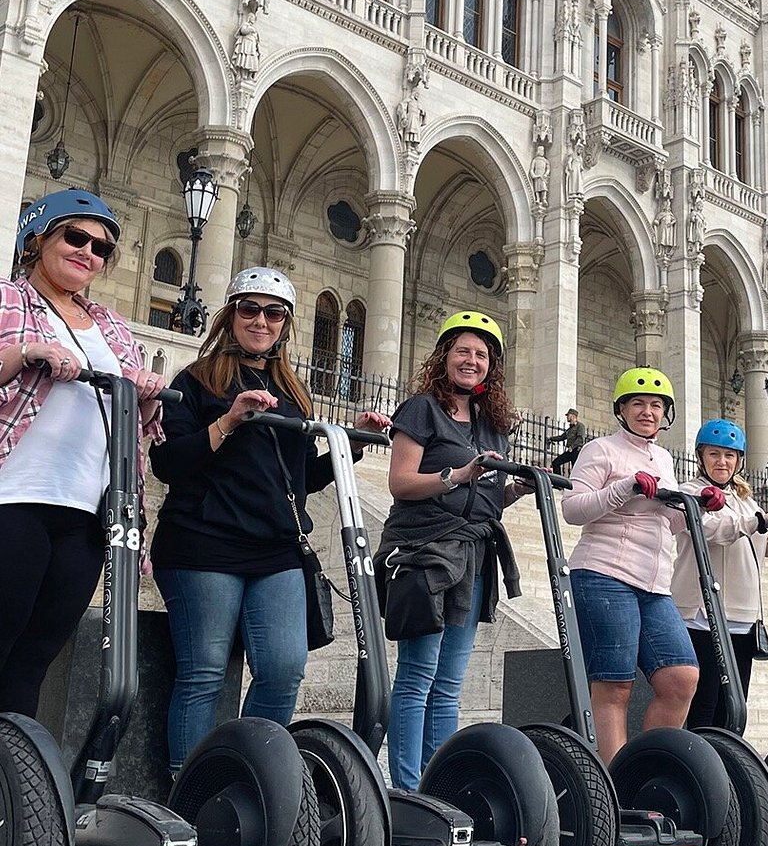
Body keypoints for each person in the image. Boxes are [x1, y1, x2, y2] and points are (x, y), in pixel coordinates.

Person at [149, 266, 388, 774]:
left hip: (276, 549)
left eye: (274, 312)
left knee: (283, 669)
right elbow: (168, 464)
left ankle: (247, 773)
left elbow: (303, 479)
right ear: (231, 314)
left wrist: (357, 443)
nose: (261, 320)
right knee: (204, 673)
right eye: (250, 309)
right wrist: (229, 420)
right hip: (202, 542)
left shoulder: (294, 392)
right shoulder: (196, 380)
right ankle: (188, 784)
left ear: (286, 323)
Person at [0, 190, 167, 716]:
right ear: (38, 238)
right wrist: (29, 351)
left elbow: (138, 429)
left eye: (102, 248)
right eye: (75, 237)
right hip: (16, 494)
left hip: (88, 509)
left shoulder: (115, 327)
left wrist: (143, 396)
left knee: (37, 655)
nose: (88, 253)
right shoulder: (8, 298)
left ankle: (16, 784)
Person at [376, 311, 528, 789]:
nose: (472, 360)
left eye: (482, 355)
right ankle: (405, 786)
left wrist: (512, 492)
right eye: (463, 350)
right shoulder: (422, 408)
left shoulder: (494, 426)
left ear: (492, 366)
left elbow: (483, 499)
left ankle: (436, 787)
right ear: (444, 356)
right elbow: (400, 483)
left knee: (448, 685)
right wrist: (459, 474)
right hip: (424, 552)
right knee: (418, 675)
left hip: (474, 558)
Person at [562, 367, 698, 763]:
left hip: (654, 583)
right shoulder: (600, 449)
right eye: (637, 403)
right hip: (604, 574)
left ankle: (643, 768)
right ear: (621, 409)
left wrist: (695, 508)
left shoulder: (663, 458)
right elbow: (573, 508)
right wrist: (626, 487)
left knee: (680, 678)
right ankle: (614, 782)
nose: (647, 411)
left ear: (666, 414)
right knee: (615, 686)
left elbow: (665, 520)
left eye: (656, 405)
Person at [672, 418, 768, 730]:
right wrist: (756, 521)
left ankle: (730, 768)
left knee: (735, 704)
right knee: (706, 704)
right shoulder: (690, 493)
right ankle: (700, 771)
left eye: (729, 455)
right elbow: (710, 530)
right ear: (701, 457)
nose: (722, 462)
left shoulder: (744, 499)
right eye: (714, 454)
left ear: (739, 460)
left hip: (743, 617)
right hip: (702, 613)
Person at [545, 407, 585, 473]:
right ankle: (558, 482)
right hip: (570, 451)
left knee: (575, 468)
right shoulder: (570, 429)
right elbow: (561, 437)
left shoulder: (580, 426)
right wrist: (551, 438)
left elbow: (580, 438)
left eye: (568, 415)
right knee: (556, 463)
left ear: (573, 416)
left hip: (576, 450)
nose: (567, 417)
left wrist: (572, 446)